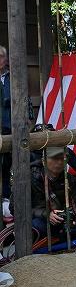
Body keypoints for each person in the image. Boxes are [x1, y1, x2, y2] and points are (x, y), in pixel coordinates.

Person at [24, 146, 76, 243]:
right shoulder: (29, 179)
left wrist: (73, 217)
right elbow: (16, 208)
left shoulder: (69, 179)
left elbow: (75, 204)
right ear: (44, 160)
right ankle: (63, 236)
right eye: (55, 158)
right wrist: (46, 214)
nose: (60, 162)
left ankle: (62, 236)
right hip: (41, 219)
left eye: (63, 159)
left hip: (62, 220)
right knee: (34, 225)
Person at [1, 45, 10, 200]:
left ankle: (8, 198)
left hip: (11, 127)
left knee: (8, 166)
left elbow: (25, 99)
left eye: (1, 56)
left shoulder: (13, 77)